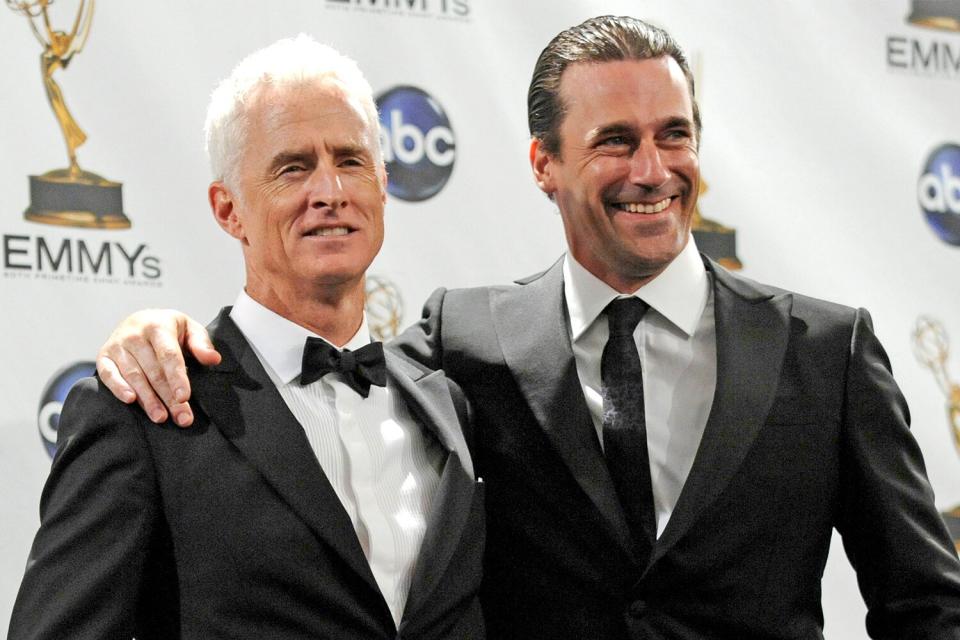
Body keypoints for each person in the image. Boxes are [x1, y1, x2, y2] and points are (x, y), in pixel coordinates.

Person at [94, 16, 960, 640]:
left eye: (675, 135)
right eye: (615, 141)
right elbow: (310, 362)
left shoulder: (826, 350)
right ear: (544, 163)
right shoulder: (464, 340)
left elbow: (925, 606)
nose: (652, 170)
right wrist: (155, 330)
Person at [8, 35, 484, 640]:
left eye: (350, 161)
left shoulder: (451, 409)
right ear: (228, 209)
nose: (330, 191)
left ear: (383, 184)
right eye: (293, 168)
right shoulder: (145, 409)